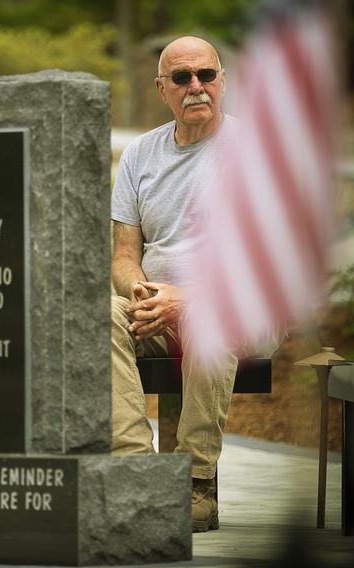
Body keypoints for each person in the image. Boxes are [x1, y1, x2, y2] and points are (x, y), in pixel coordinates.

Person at [110, 35, 241, 533]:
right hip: (156, 306)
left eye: (206, 75)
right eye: (182, 78)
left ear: (222, 80)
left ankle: (193, 483)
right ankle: (135, 473)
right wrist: (141, 293)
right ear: (162, 87)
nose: (196, 87)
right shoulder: (141, 155)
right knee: (99, 316)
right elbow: (125, 257)